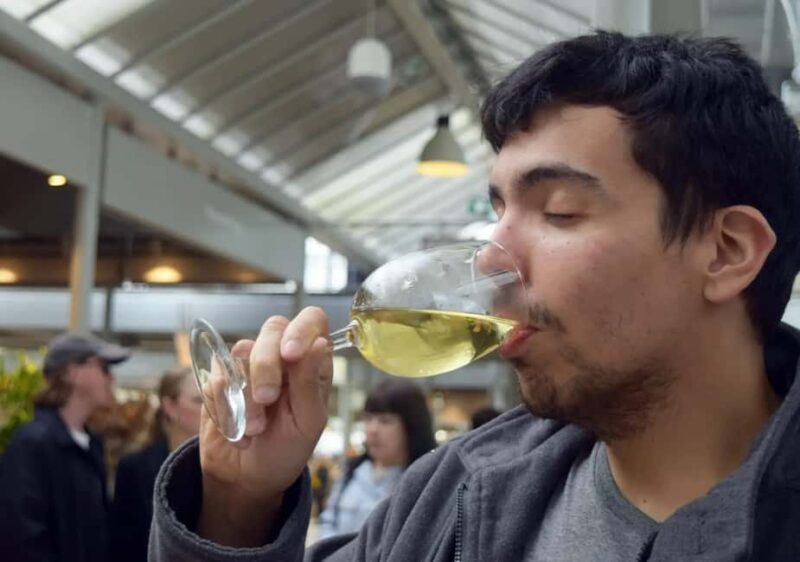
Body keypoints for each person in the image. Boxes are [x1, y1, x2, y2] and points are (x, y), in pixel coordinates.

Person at [150, 30, 800, 561]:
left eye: (560, 211)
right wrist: (239, 499)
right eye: (499, 210)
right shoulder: (452, 497)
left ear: (727, 252)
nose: (491, 257)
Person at [0, 333, 130, 562]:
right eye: (104, 369)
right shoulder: (33, 444)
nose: (111, 379)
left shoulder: (90, 445)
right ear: (72, 372)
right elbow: (21, 537)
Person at [316, 379, 436, 539]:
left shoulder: (427, 481)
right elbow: (328, 522)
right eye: (368, 419)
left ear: (411, 427)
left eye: (385, 421)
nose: (372, 429)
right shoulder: (353, 471)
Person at [111, 366, 202, 562]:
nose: (209, 409)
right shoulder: (134, 468)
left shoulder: (223, 466)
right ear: (170, 406)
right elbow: (124, 544)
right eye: (199, 400)